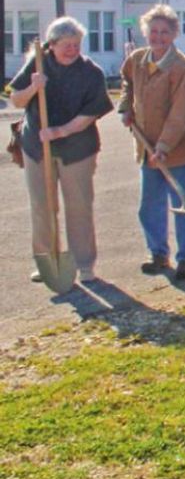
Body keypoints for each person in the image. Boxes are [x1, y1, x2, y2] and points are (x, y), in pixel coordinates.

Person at [7, 16, 113, 283]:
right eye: (66, 44)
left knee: (79, 206)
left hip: (77, 149)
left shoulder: (91, 72)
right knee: (42, 205)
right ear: (51, 45)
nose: (72, 50)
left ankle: (84, 264)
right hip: (36, 147)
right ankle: (46, 260)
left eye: (76, 44)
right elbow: (16, 100)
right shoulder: (38, 63)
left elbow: (89, 115)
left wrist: (59, 131)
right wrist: (33, 87)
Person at [118, 4, 185, 280]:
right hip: (146, 148)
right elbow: (127, 83)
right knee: (150, 206)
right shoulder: (137, 60)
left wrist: (164, 147)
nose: (158, 37)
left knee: (184, 206)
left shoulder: (183, 69)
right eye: (153, 31)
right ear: (145, 32)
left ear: (175, 34)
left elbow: (180, 113)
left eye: (165, 32)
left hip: (178, 151)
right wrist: (125, 107)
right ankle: (158, 254)